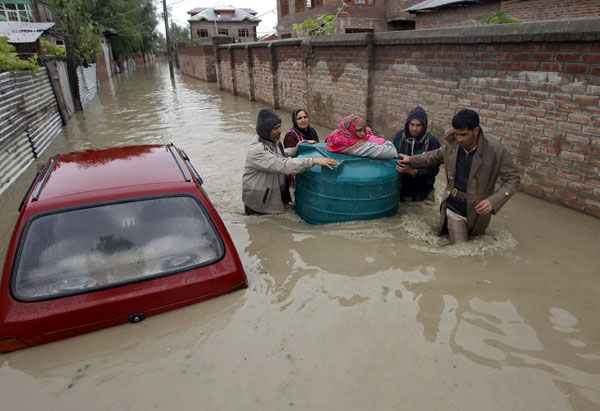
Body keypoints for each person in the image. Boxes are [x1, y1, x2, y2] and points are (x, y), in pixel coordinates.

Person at [397, 109, 520, 244]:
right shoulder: (451, 145)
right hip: (454, 206)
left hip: (480, 211)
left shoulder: (496, 150)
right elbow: (434, 156)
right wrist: (411, 160)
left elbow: (512, 179)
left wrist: (493, 201)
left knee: (477, 243)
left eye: (463, 134)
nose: (459, 139)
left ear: (476, 131)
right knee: (460, 248)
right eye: (456, 134)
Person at [243, 108, 339, 215]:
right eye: (276, 128)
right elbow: (283, 164)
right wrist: (313, 161)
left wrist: (295, 150)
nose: (280, 131)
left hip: (277, 195)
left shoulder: (273, 141)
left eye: (280, 126)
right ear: (265, 130)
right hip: (260, 204)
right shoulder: (257, 151)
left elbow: (280, 155)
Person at [394, 106, 441, 202]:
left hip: (424, 191)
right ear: (407, 124)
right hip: (401, 189)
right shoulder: (399, 137)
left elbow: (433, 171)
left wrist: (413, 171)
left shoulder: (432, 142)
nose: (414, 128)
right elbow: (392, 158)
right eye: (412, 124)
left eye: (418, 125)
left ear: (424, 126)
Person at [326, 114, 397, 159]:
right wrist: (385, 142)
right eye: (359, 130)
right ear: (350, 130)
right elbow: (391, 152)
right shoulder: (351, 144)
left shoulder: (337, 134)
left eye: (364, 129)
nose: (363, 134)